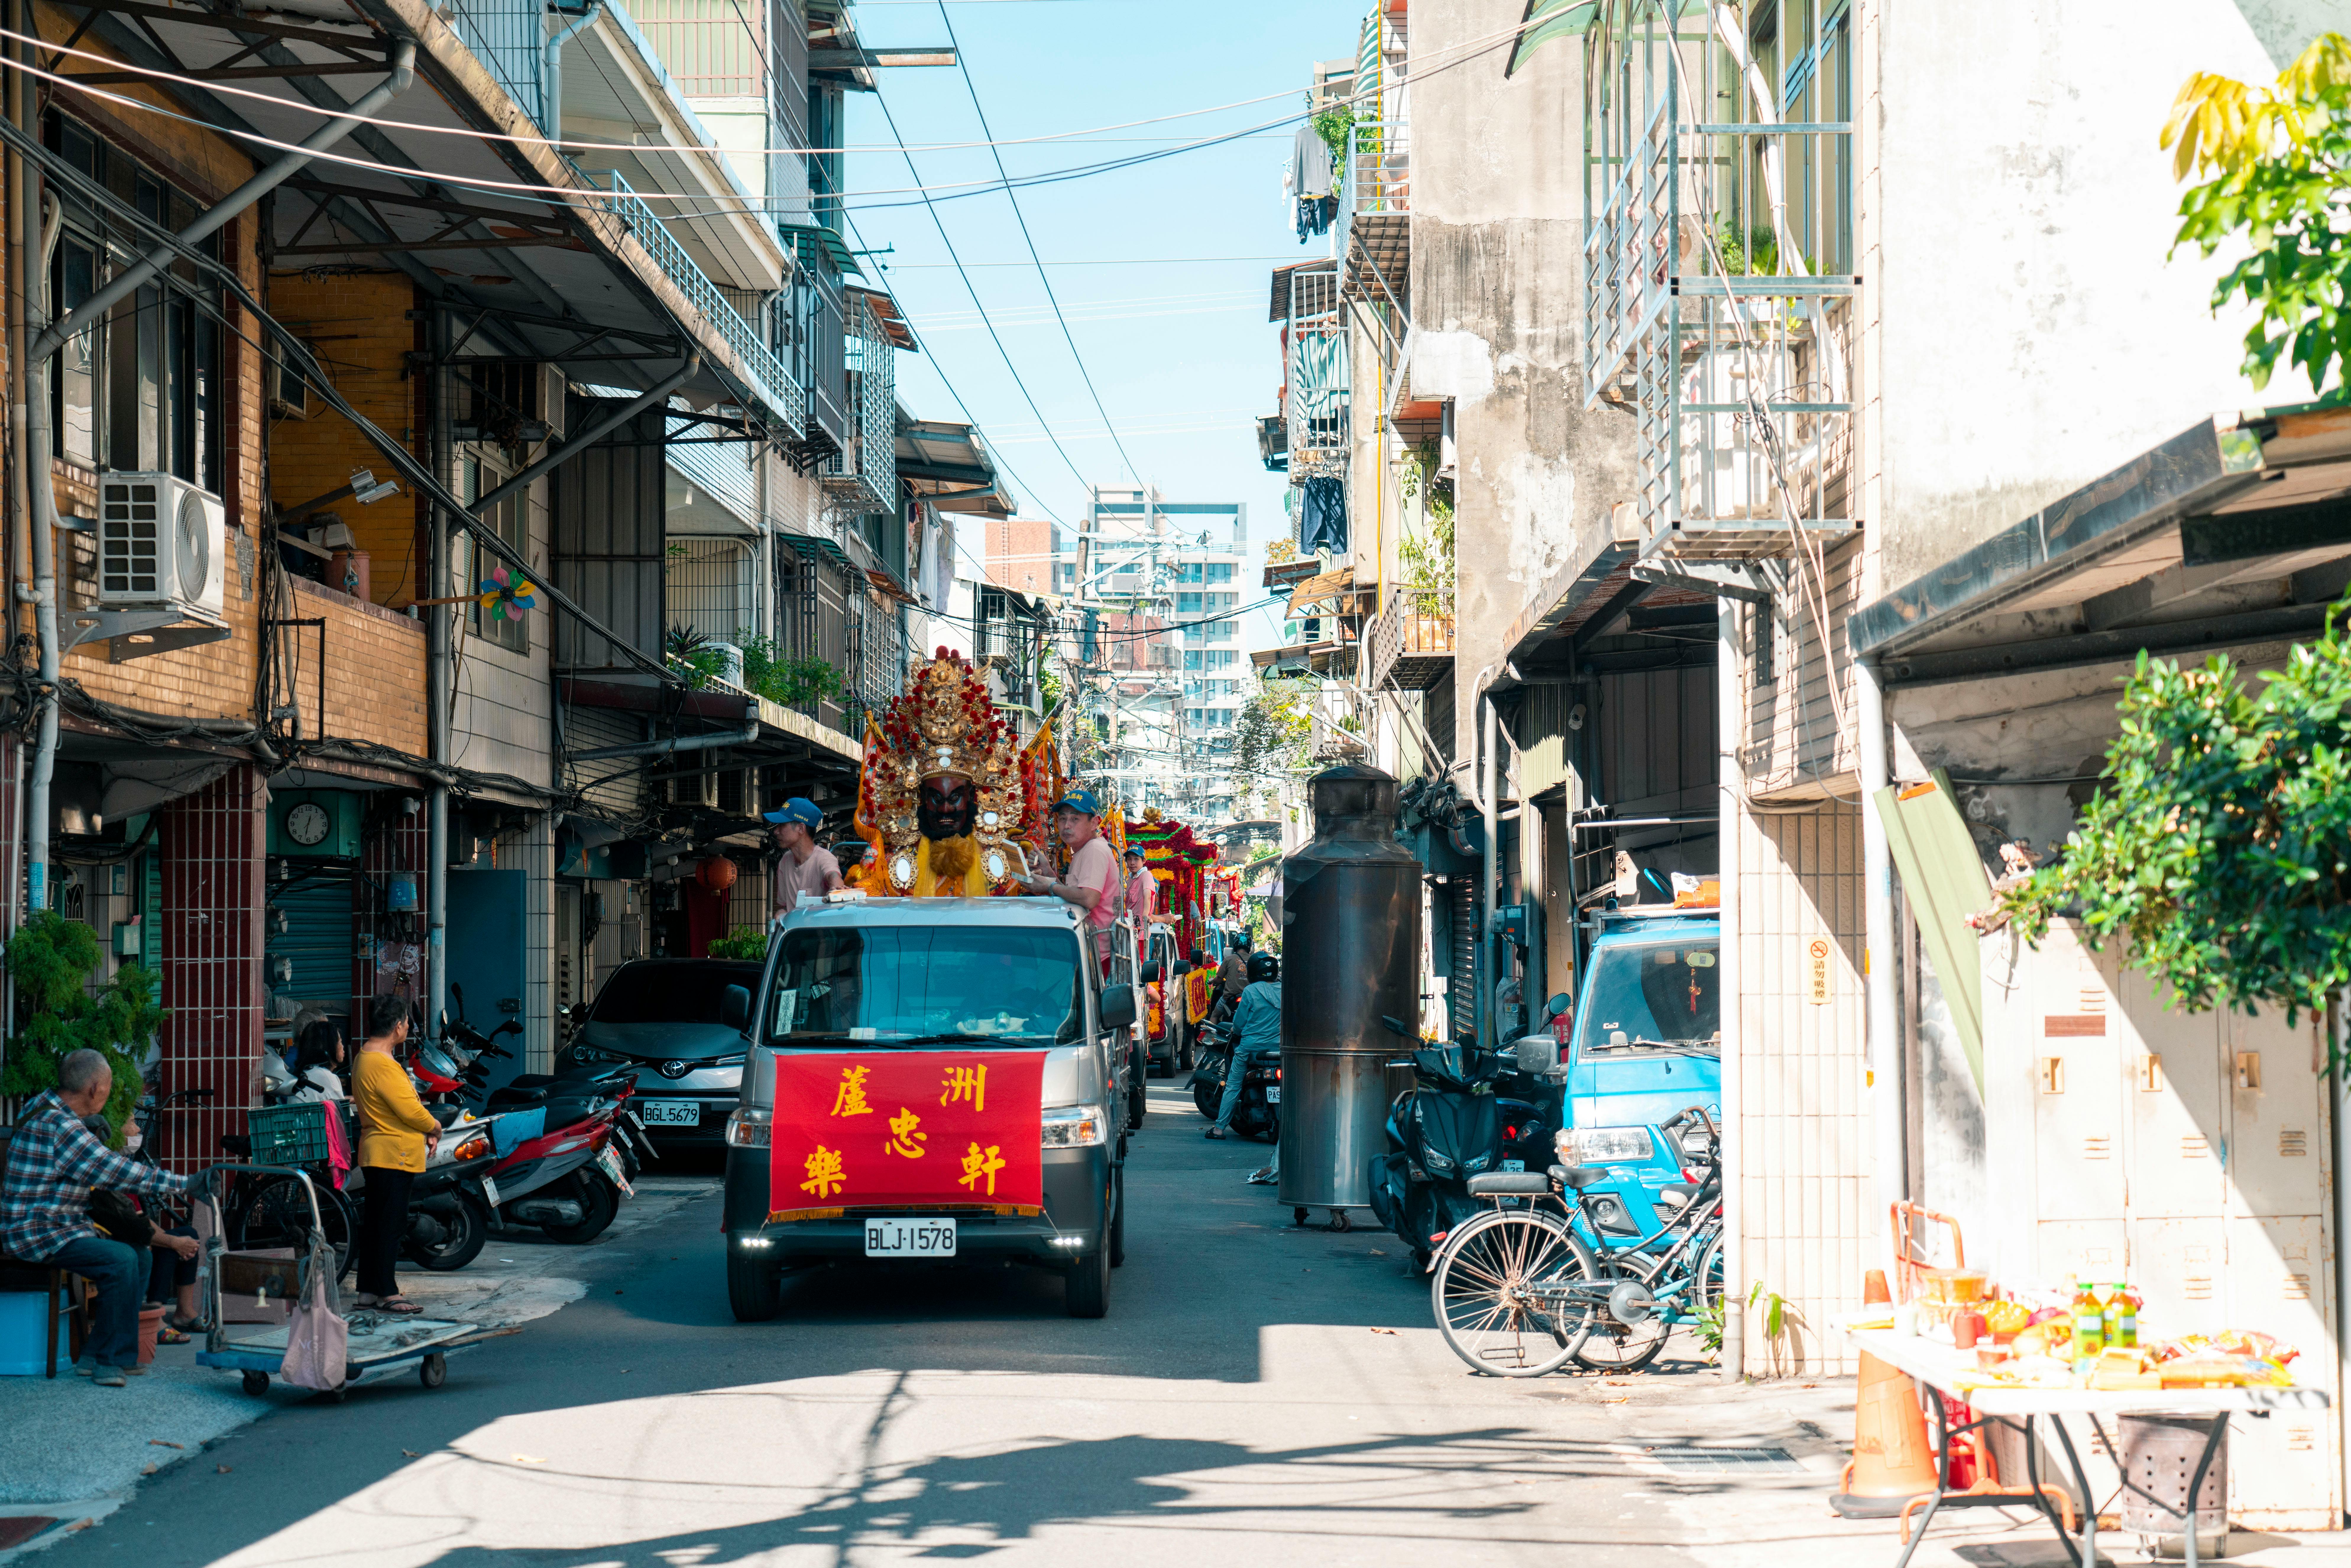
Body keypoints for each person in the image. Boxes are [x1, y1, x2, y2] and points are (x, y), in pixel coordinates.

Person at [0, 1049, 195, 1386]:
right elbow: (116, 1172)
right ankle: (110, 1362)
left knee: (139, 1254)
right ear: (95, 1089)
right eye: (107, 1086)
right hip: (37, 1231)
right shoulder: (61, 1126)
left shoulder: (44, 1105)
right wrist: (188, 1183)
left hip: (62, 1224)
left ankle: (95, 1355)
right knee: (120, 1260)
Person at [352, 995, 439, 1315]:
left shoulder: (366, 1056)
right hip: (392, 1153)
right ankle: (388, 1292)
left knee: (378, 1222)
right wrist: (434, 1126)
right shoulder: (381, 1063)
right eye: (406, 1023)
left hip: (381, 1151)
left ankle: (369, 1290)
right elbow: (410, 1109)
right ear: (399, 1026)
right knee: (390, 1224)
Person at [1019, 791, 1121, 964]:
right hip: (1088, 950)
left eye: (1075, 819)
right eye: (1063, 819)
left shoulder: (1094, 849)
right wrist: (1048, 871)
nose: (1067, 826)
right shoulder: (1085, 850)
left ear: (1094, 823)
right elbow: (1075, 895)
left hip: (1097, 959)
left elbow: (1089, 898)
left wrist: (1048, 886)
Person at [1207, 952, 1281, 1143]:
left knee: (1233, 1085)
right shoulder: (1285, 990)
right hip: (1279, 1051)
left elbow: (1239, 1025)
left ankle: (1219, 1129)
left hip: (1250, 1049)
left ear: (1253, 972)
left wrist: (1236, 1031)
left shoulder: (1250, 991)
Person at [766, 797, 844, 915]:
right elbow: (785, 907)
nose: (776, 831)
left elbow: (833, 876)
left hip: (820, 932)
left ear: (801, 828)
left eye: (782, 826)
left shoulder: (823, 858)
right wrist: (781, 913)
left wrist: (837, 889)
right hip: (797, 932)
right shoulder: (785, 861)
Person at [286, 1018, 347, 1103]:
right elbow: (341, 1113)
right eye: (340, 1042)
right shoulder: (327, 1078)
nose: (343, 1046)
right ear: (330, 1047)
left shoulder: (305, 1072)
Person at [1211, 931, 1252, 1023]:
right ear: (1250, 946)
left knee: (1215, 1015)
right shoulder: (1253, 960)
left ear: (1236, 944)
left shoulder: (1229, 959)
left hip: (1229, 999)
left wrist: (1212, 981)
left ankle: (1213, 1038)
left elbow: (1218, 979)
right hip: (1249, 999)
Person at [1122, 848, 1158, 927]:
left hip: (1141, 928)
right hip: (1130, 927)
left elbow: (1147, 896)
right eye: (1129, 859)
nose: (1132, 863)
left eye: (1136, 859)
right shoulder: (1130, 879)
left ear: (1144, 861)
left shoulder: (1146, 875)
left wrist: (1145, 915)